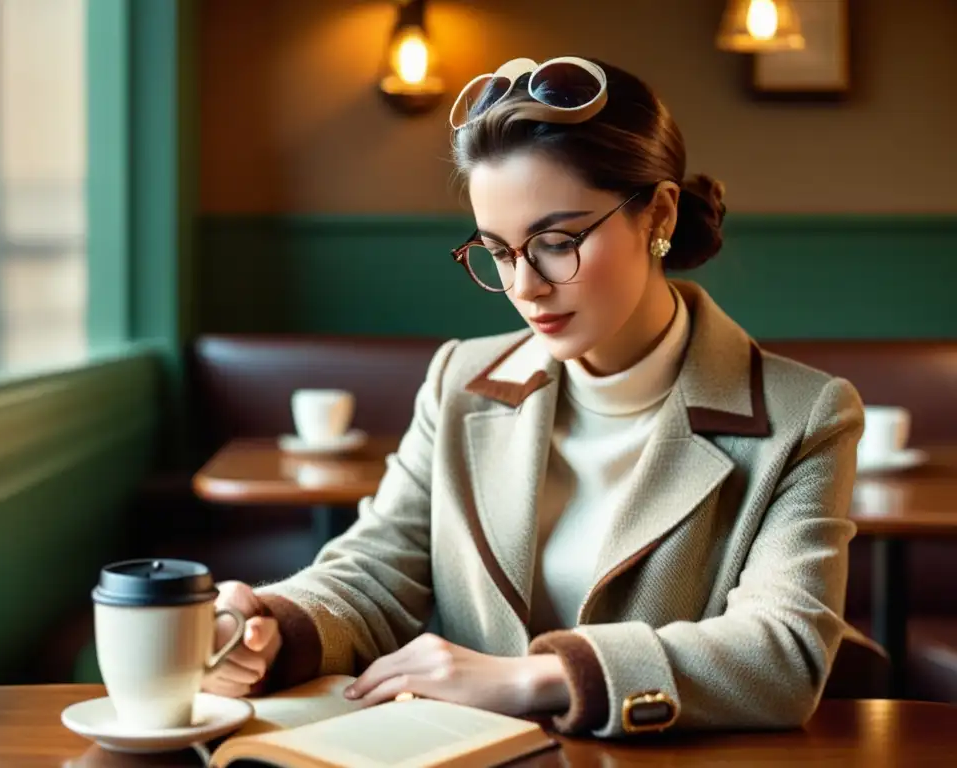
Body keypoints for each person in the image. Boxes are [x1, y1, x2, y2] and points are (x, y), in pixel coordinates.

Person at [202, 56, 877, 738]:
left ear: (659, 214)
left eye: (556, 242)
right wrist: (265, 625)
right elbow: (375, 571)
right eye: (497, 251)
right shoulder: (459, 380)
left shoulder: (805, 415)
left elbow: (782, 652)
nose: (524, 286)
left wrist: (532, 677)